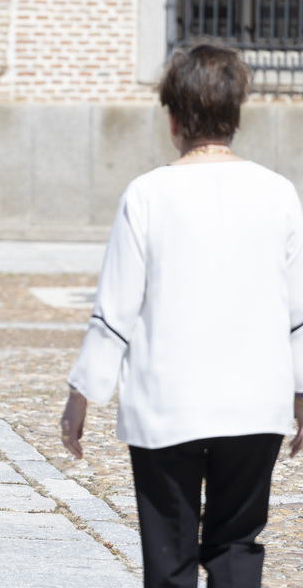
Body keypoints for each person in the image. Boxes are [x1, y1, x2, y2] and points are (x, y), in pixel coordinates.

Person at [60, 43, 303, 588]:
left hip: (166, 404)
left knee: (167, 557)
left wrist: (82, 395)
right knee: (237, 547)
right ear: (236, 114)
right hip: (255, 404)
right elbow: (299, 312)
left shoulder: (147, 194)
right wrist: (302, 392)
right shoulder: (279, 194)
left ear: (172, 117)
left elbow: (116, 309)